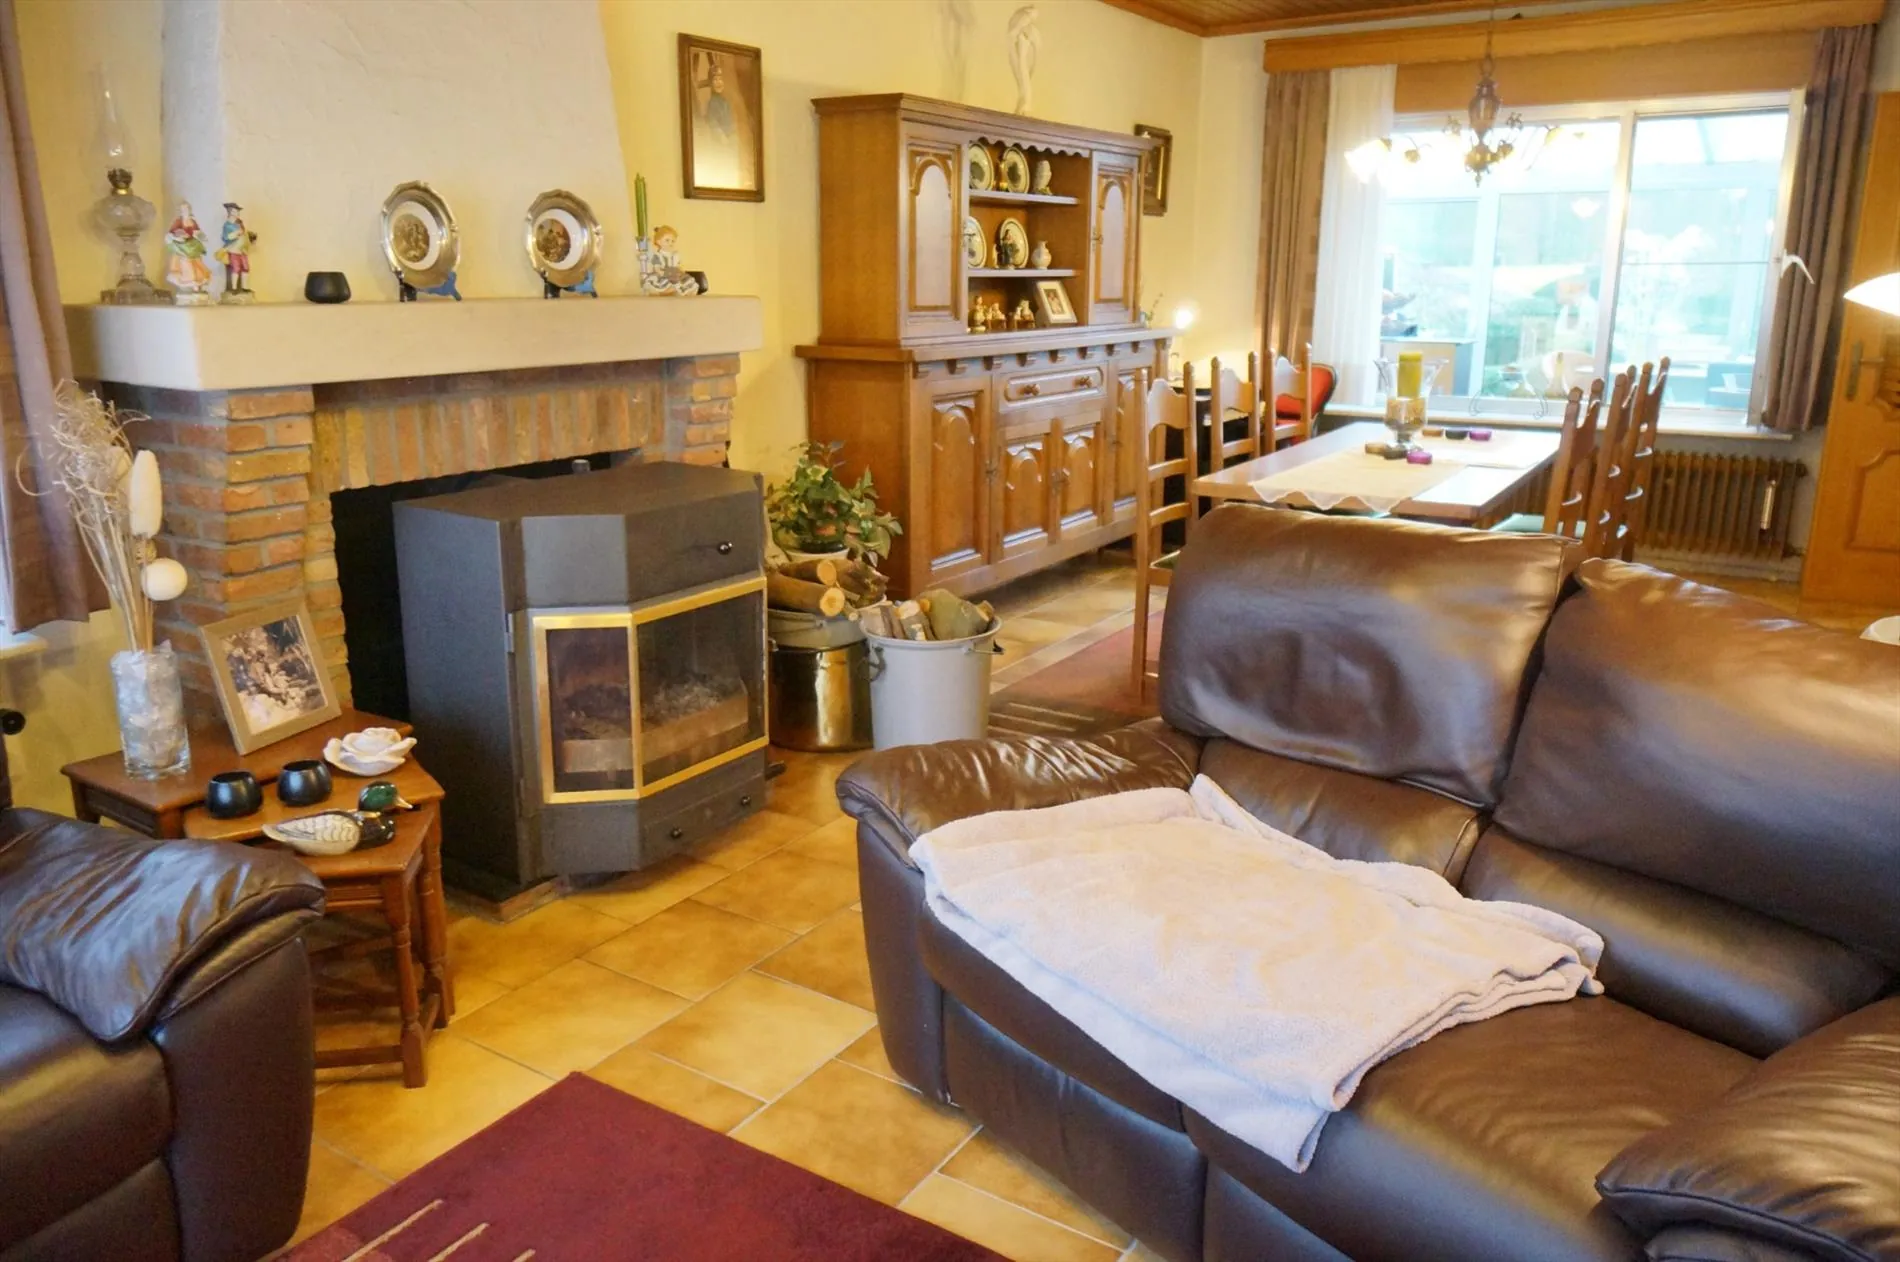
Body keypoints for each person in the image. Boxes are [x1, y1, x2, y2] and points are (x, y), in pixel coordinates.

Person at [164, 202, 211, 299]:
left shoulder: (192, 221)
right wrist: (179, 236)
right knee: (186, 264)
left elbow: (197, 231)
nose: (185, 211)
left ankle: (197, 283)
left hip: (192, 245)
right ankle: (189, 283)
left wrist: (200, 236)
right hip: (183, 246)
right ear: (181, 211)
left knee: (196, 264)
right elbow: (171, 233)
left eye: (187, 209)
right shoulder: (178, 221)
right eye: (183, 209)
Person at [216, 202, 256, 297]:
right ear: (230, 212)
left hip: (243, 250)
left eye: (237, 211)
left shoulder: (239, 223)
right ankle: (234, 288)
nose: (237, 213)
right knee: (236, 268)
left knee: (246, 267)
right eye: (235, 211)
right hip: (233, 250)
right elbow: (225, 237)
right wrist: (235, 234)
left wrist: (250, 236)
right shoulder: (227, 225)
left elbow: (244, 233)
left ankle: (245, 287)